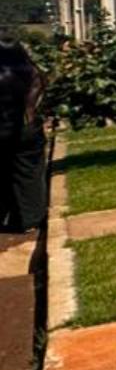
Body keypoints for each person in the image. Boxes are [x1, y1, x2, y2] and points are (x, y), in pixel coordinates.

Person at [0, 40, 47, 234]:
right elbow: (35, 100)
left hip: (4, 128)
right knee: (30, 172)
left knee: (5, 174)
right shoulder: (32, 72)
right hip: (28, 126)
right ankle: (31, 219)